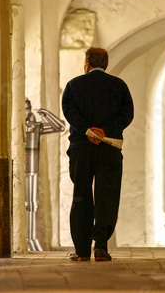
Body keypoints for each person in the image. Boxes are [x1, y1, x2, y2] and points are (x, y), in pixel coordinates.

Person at [62, 47, 134, 261]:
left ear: (87, 63)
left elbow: (69, 111)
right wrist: (106, 131)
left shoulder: (73, 85)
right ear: (106, 64)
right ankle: (101, 246)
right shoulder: (119, 86)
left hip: (81, 148)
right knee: (107, 196)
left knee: (81, 195)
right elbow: (127, 114)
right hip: (109, 148)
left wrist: (87, 130)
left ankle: (82, 250)